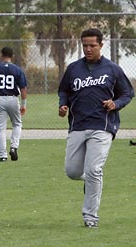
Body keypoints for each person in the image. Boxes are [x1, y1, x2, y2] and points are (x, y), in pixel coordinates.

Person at [58, 28, 133, 228]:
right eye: (85, 45)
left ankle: (90, 216)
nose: (88, 49)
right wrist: (63, 104)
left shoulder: (112, 69)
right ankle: (91, 180)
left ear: (101, 45)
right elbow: (64, 90)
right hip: (78, 125)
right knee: (72, 171)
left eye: (92, 45)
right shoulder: (74, 69)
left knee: (94, 170)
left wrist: (115, 104)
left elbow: (127, 94)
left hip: (103, 125)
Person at [0, 47, 28, 162]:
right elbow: (23, 88)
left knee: (0, 128)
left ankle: (3, 155)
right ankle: (14, 147)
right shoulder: (17, 70)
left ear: (1, 55)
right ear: (12, 56)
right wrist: (24, 104)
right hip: (13, 99)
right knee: (17, 124)